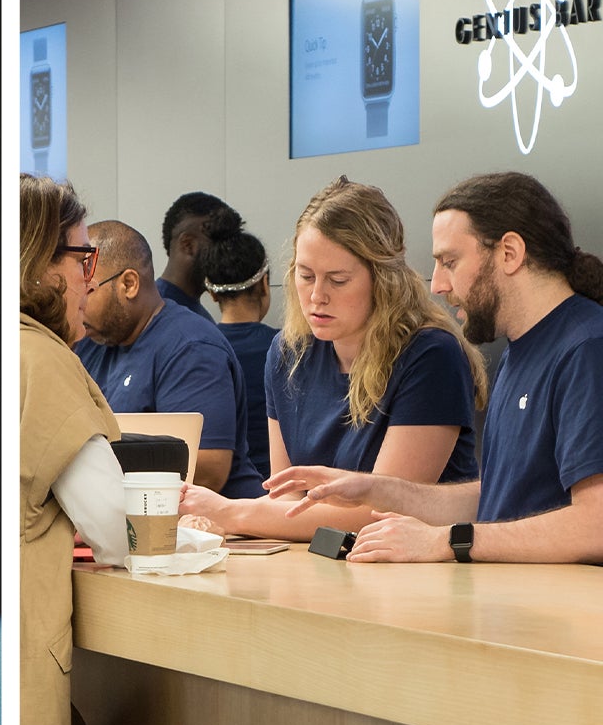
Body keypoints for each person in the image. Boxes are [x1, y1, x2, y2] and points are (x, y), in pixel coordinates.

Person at [274, 172, 603, 563]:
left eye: (450, 262)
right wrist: (378, 490)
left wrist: (449, 541)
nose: (438, 285)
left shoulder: (586, 348)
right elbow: (502, 499)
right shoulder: (522, 351)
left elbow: (595, 524)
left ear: (510, 253)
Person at [185, 179, 485, 540]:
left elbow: (382, 509)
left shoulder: (431, 356)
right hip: (321, 563)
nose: (317, 296)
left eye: (338, 280)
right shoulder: (287, 353)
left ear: (383, 280)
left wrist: (232, 512)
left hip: (413, 573)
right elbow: (289, 497)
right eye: (305, 275)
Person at [18, 175, 130, 725]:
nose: (94, 275)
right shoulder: (38, 359)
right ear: (36, 262)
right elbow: (118, 528)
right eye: (83, 257)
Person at [75, 220, 264, 499]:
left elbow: (208, 469)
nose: (78, 302)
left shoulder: (191, 347)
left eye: (87, 290)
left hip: (218, 531)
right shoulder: (89, 343)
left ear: (129, 283)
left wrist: (91, 469)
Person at [200, 212, 277, 480]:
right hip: (279, 491)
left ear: (211, 293)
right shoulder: (287, 350)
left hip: (219, 493)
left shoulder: (199, 350)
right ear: (265, 283)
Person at [155, 191, 239, 320]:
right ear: (188, 245)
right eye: (219, 244)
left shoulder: (199, 316)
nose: (229, 254)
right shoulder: (151, 313)